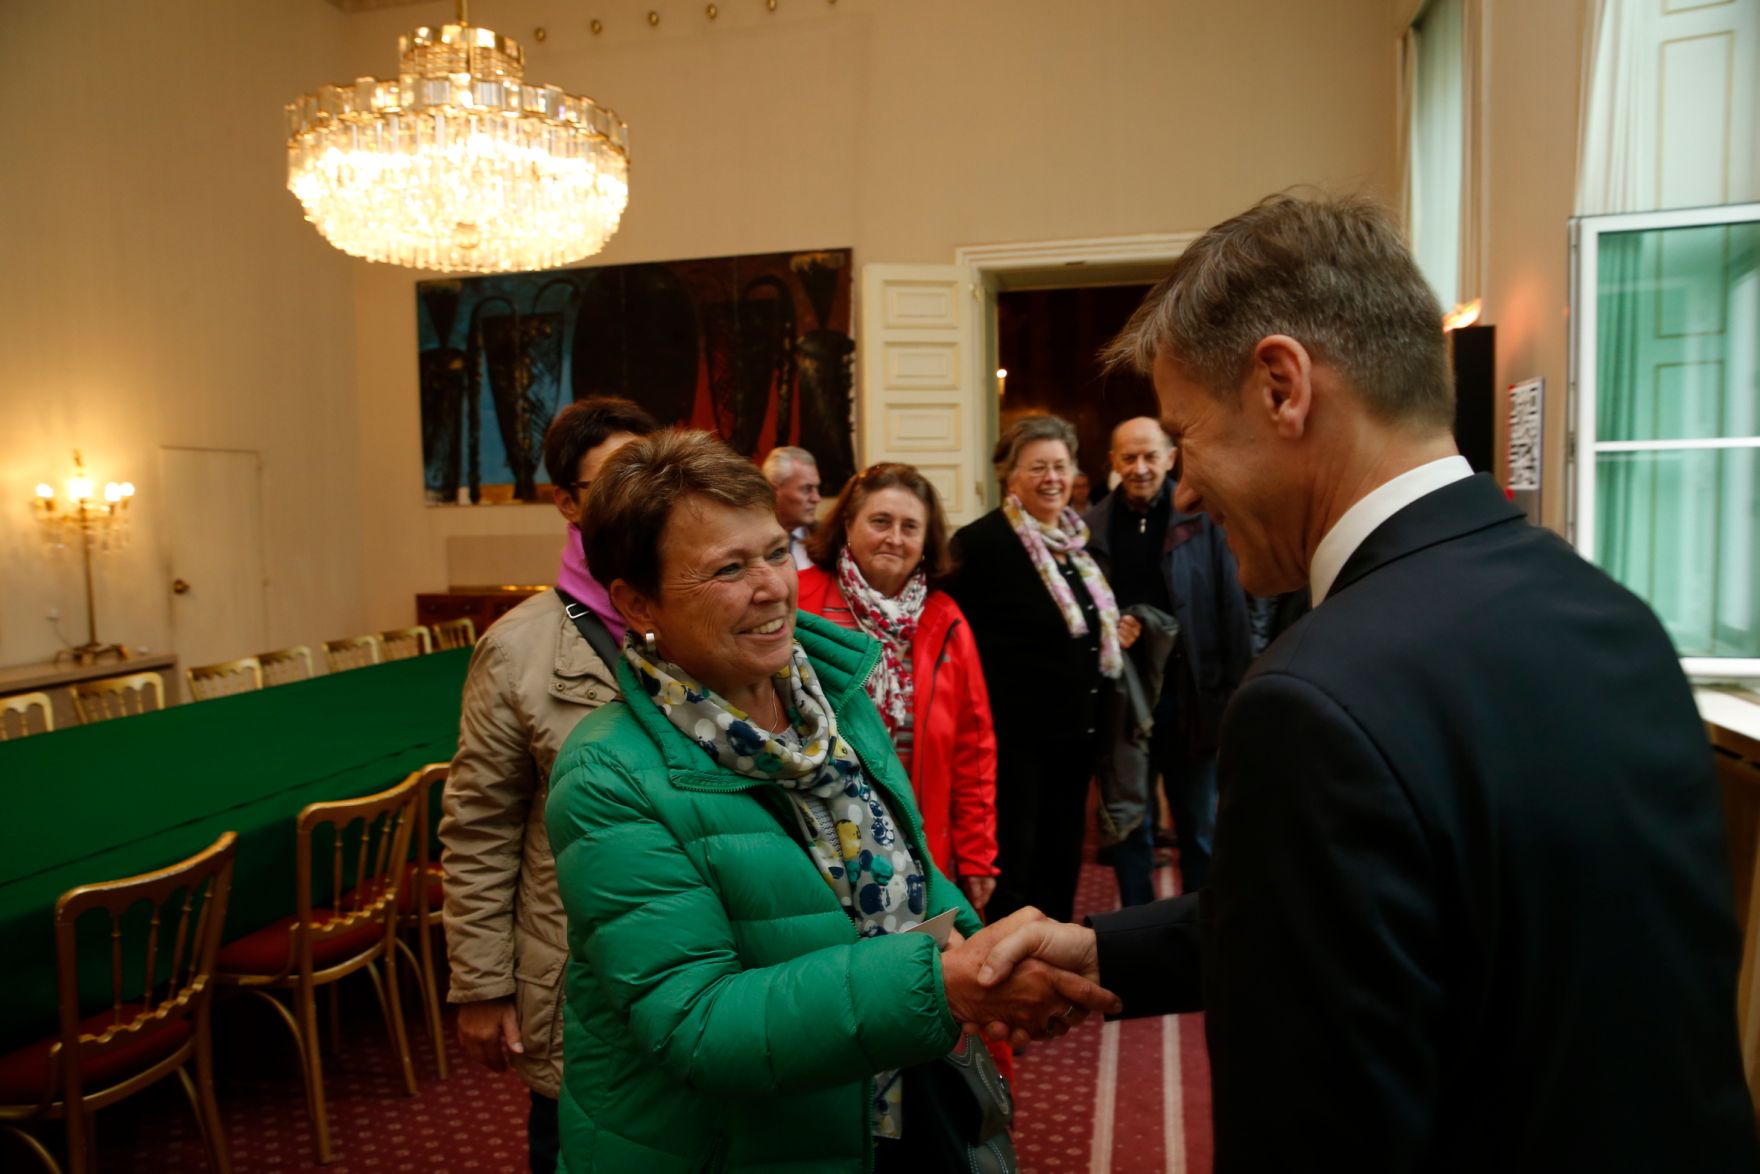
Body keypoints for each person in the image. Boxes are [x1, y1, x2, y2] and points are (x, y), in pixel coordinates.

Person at [973, 195, 1759, 1171]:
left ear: (1279, 387)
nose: (1180, 487)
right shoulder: (1612, 616)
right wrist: (1104, 950)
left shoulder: (1310, 701)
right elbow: (1423, 909)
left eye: (1188, 435)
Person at [546, 429, 1119, 1172]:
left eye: (776, 550)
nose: (772, 586)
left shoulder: (831, 696)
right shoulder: (607, 774)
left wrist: (987, 957)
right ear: (637, 601)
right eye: (728, 567)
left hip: (885, 1102)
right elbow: (698, 1022)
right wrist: (942, 988)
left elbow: (906, 866)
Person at [441, 396, 658, 1174]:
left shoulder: (705, 613)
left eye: (647, 471)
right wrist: (482, 985)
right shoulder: (517, 650)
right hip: (579, 967)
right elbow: (479, 827)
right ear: (566, 502)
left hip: (704, 961)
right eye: (610, 481)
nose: (635, 495)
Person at [945, 415, 1138, 924]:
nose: (1052, 477)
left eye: (1060, 466)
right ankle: (1012, 972)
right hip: (1014, 743)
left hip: (1076, 737)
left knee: (1062, 854)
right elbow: (954, 637)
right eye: (1037, 468)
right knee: (1017, 861)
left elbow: (1083, 625)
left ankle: (1052, 956)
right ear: (1011, 476)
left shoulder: (1077, 543)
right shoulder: (981, 544)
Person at [797, 462, 1001, 913]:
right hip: (818, 841)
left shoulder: (945, 618)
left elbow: (973, 749)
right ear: (848, 524)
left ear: (926, 542)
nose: (895, 537)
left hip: (920, 841)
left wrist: (977, 855)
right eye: (880, 521)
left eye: (911, 527)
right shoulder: (799, 601)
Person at [1086, 417, 1252, 900]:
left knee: (1199, 831)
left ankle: (1202, 936)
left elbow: (1232, 611)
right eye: (1128, 458)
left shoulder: (1204, 518)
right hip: (1121, 710)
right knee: (1129, 831)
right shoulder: (1090, 527)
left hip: (1192, 702)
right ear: (1113, 462)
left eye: (1150, 456)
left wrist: (1237, 699)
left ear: (1170, 458)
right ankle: (1137, 937)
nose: (1140, 468)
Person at [760, 444, 821, 568]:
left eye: (816, 488)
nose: (816, 498)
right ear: (774, 490)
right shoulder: (751, 541)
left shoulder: (827, 538)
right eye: (807, 489)